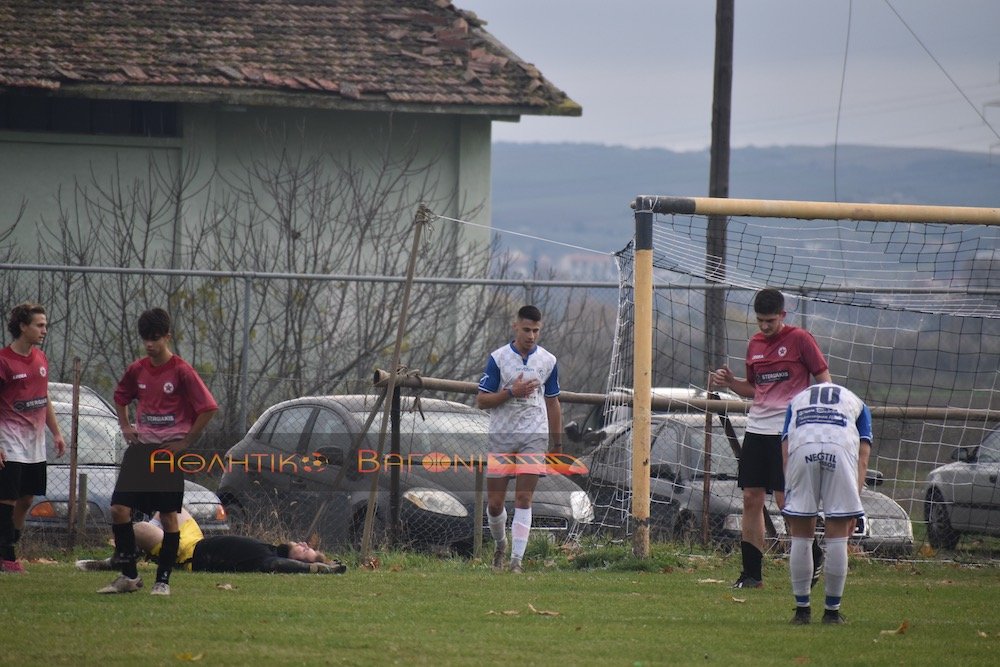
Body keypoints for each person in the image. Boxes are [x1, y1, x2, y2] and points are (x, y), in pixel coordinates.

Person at [709, 288, 831, 589]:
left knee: (783, 499)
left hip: (788, 432)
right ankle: (752, 575)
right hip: (756, 430)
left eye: (771, 321)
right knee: (751, 498)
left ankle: (813, 555)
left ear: (783, 316)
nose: (765, 326)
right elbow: (755, 389)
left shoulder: (801, 340)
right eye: (760, 321)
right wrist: (730, 383)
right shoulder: (754, 345)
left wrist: (816, 417)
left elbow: (824, 380)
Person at [100, 308, 218, 596]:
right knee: (118, 509)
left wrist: (185, 442)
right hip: (141, 451)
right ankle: (129, 576)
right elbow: (120, 396)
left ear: (167, 337)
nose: (149, 344)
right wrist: (125, 424)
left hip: (167, 453)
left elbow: (209, 408)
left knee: (167, 517)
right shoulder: (137, 369)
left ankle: (162, 581)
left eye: (155, 338)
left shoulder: (181, 371)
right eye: (145, 339)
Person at [476, 305, 561, 574]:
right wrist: (511, 392)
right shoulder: (499, 359)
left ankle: (516, 561)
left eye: (536, 330)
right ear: (515, 327)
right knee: (495, 504)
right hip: (502, 436)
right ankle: (501, 545)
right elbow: (482, 400)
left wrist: (556, 443)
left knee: (524, 498)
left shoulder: (548, 361)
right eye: (526, 330)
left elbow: (553, 401)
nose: (531, 336)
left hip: (534, 436)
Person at [782, 382, 871, 625]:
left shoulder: (797, 399)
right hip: (839, 451)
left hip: (802, 450)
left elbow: (786, 447)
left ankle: (802, 612)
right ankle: (832, 613)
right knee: (838, 537)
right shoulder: (858, 403)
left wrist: (790, 491)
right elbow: (862, 458)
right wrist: (854, 502)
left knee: (800, 536)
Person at [0, 303, 66, 573]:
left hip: (34, 443)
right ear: (23, 327)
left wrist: (57, 432)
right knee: (7, 498)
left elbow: (44, 397)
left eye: (45, 325)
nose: (44, 330)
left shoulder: (40, 358)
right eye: (39, 325)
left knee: (27, 499)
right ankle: (7, 556)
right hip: (9, 440)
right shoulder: (4, 360)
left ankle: (8, 550)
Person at [77, 510, 346, 575]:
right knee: (171, 507)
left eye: (306, 551)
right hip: (197, 540)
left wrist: (318, 568)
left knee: (137, 528)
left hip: (188, 553)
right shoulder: (269, 548)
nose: (304, 543)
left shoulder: (267, 560)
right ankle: (140, 552)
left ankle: (120, 560)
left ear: (295, 561)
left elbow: (278, 564)